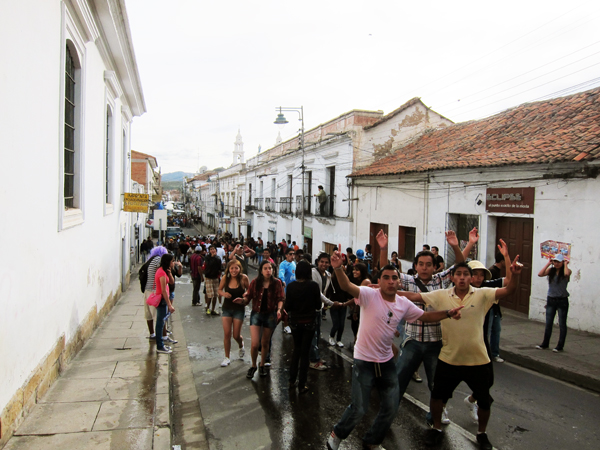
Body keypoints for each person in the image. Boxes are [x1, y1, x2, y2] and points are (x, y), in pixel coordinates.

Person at [326, 245, 464, 450]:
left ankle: (372, 441)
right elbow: (347, 286)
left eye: (394, 278)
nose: (391, 282)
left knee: (390, 408)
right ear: (379, 281)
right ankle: (337, 433)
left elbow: (425, 316)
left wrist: (448, 313)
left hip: (386, 363)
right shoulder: (368, 295)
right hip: (364, 361)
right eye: (386, 278)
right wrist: (338, 268)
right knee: (359, 408)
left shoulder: (403, 303)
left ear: (399, 281)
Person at [401, 260, 522, 450]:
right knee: (438, 396)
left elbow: (508, 291)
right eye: (458, 274)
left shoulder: (483, 294)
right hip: (449, 358)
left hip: (478, 359)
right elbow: (414, 296)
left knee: (483, 400)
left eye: (466, 274)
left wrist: (514, 275)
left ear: (471, 277)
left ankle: (482, 434)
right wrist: (385, 292)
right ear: (452, 277)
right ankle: (437, 428)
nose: (462, 277)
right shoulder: (441, 295)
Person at [377, 229, 464, 424]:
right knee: (399, 379)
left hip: (436, 342)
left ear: (435, 267)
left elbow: (459, 265)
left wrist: (454, 245)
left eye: (428, 265)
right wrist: (383, 248)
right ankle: (388, 413)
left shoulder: (441, 280)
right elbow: (387, 271)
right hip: (412, 340)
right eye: (421, 264)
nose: (424, 268)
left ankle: (437, 414)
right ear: (415, 266)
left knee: (437, 384)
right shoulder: (407, 281)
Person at [242, 260, 285, 378]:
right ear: (261, 270)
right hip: (256, 314)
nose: (268, 270)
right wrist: (242, 301)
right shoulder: (255, 282)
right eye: (265, 268)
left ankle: (262, 365)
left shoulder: (277, 283)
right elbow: (248, 297)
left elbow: (281, 298)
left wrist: (279, 310)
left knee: (265, 342)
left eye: (270, 268)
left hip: (270, 315)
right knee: (255, 344)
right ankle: (253, 365)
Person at [284, 261, 322, 393]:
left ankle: (291, 380)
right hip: (309, 322)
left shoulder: (291, 287)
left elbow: (287, 306)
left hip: (295, 322)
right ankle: (302, 384)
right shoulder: (313, 286)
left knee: (296, 350)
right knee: (305, 353)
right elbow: (318, 305)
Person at [536, 254, 571, 352]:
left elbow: (566, 274)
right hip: (551, 299)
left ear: (562, 262)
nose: (556, 263)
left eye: (558, 262)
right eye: (555, 261)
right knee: (548, 323)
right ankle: (545, 343)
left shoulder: (566, 271)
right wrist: (548, 263)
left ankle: (560, 346)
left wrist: (566, 264)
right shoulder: (550, 271)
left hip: (562, 300)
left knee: (562, 324)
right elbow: (540, 274)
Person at [310, 253, 338, 370]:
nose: (324, 264)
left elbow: (325, 291)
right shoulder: (313, 273)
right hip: (311, 308)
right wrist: (331, 303)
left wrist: (325, 305)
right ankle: (313, 360)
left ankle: (315, 357)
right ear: (318, 262)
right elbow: (317, 292)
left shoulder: (328, 275)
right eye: (322, 262)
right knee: (313, 335)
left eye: (326, 262)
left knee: (317, 333)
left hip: (319, 308)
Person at [218, 260, 249, 367]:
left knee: (236, 335)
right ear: (228, 269)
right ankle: (227, 357)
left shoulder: (244, 278)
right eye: (232, 268)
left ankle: (241, 345)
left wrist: (244, 296)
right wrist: (223, 294)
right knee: (227, 334)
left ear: (240, 269)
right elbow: (219, 290)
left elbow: (249, 292)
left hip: (239, 309)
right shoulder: (225, 278)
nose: (234, 270)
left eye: (236, 268)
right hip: (226, 308)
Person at [154, 254, 176, 354]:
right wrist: (169, 305)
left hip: (164, 299)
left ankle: (161, 344)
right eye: (172, 261)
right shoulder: (161, 273)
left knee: (162, 322)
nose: (173, 263)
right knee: (160, 323)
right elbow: (163, 290)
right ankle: (160, 345)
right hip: (162, 299)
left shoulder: (165, 271)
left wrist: (170, 273)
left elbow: (172, 282)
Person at [144, 246, 168, 339]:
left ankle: (152, 334)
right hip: (154, 291)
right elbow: (162, 272)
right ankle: (163, 336)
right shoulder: (158, 260)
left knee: (148, 314)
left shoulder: (150, 260)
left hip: (147, 289)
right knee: (159, 316)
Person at [203, 245, 222, 315]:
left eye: (213, 249)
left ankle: (213, 309)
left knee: (215, 295)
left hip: (215, 277)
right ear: (209, 251)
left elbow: (219, 267)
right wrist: (213, 257)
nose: (212, 250)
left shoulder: (218, 258)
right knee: (210, 294)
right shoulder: (207, 258)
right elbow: (209, 265)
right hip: (208, 277)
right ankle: (208, 308)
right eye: (211, 249)